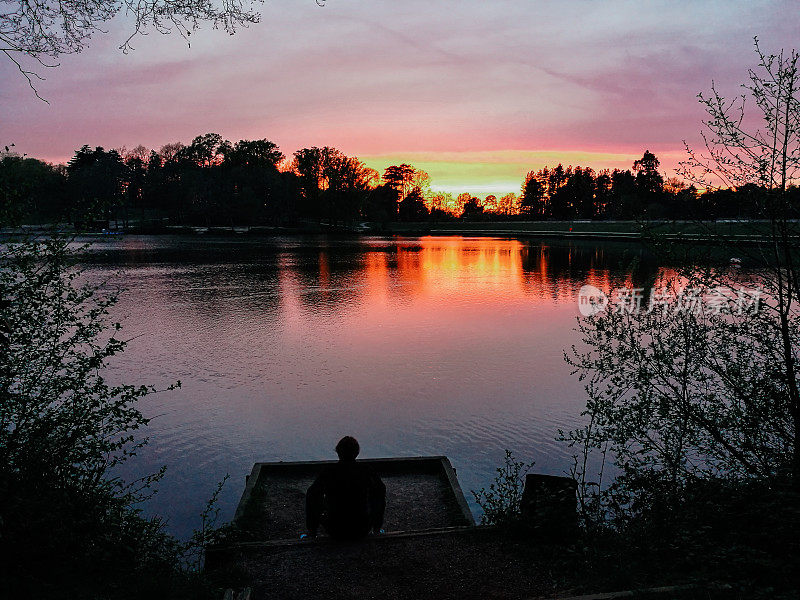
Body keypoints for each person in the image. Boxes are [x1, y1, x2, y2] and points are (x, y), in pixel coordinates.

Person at [305, 436, 386, 540]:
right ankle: (377, 529)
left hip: (334, 529)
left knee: (314, 494)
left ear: (338, 452)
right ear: (357, 453)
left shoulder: (329, 471)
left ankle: (312, 532)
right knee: (378, 492)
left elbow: (312, 494)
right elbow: (381, 490)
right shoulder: (366, 470)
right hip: (362, 528)